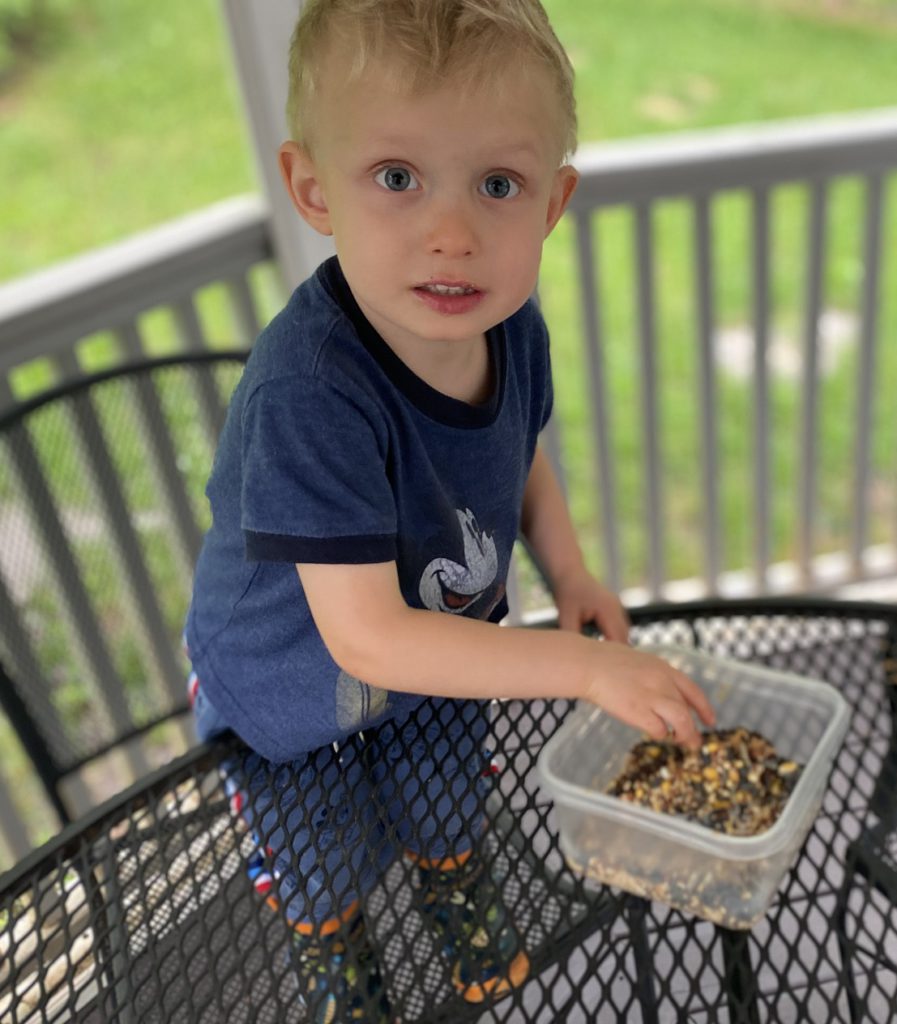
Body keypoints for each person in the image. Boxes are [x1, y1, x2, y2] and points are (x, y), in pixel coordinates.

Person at [184, 0, 715, 1019]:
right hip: (294, 686)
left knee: (445, 801)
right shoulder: (310, 393)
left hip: (444, 655)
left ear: (552, 203)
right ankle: (342, 970)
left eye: (498, 183)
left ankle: (459, 900)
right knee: (322, 861)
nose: (453, 233)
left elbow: (518, 459)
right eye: (396, 178)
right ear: (313, 189)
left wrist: (570, 572)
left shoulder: (512, 333)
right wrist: (586, 666)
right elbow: (369, 638)